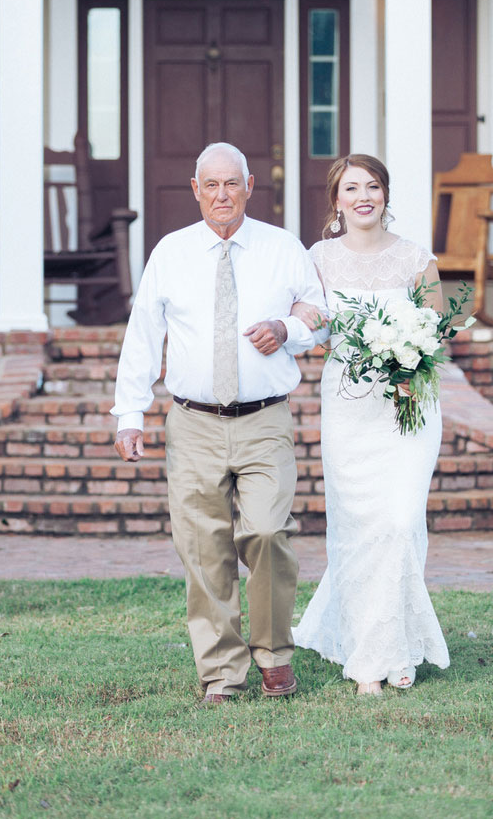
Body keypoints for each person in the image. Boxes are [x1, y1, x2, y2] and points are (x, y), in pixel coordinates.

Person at [112, 142, 328, 705]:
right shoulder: (171, 252)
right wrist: (130, 414)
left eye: (232, 184)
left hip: (264, 420)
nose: (222, 195)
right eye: (211, 185)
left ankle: (275, 655)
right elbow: (142, 337)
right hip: (193, 423)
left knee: (266, 534)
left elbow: (318, 314)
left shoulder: (282, 248)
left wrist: (286, 329)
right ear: (195, 189)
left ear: (250, 186)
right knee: (204, 550)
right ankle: (221, 675)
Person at [291, 154, 450, 696]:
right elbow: (310, 329)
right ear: (336, 200)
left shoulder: (415, 258)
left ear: (386, 194)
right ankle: (376, 656)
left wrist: (410, 359)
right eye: (352, 188)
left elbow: (437, 331)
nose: (364, 196)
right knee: (359, 529)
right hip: (349, 407)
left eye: (373, 186)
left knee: (401, 520)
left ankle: (390, 646)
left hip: (409, 405)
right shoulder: (316, 260)